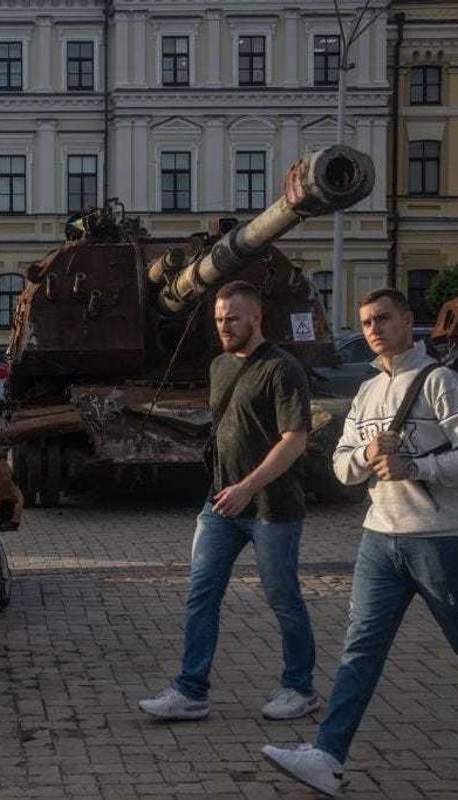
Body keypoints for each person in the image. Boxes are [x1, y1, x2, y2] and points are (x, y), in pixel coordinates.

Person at [263, 288, 458, 796]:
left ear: (407, 320)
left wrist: (416, 465)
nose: (374, 328)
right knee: (359, 650)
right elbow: (341, 467)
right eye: (366, 321)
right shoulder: (366, 391)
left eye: (383, 318)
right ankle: (327, 757)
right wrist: (367, 456)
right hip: (380, 539)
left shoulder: (444, 383)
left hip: (443, 540)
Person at [139, 280, 319, 723]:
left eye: (232, 318)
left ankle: (300, 688)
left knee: (282, 596)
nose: (224, 326)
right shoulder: (219, 365)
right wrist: (223, 487)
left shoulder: (282, 369)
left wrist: (248, 487)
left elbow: (295, 439)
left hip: (271, 507)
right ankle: (191, 690)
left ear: (256, 318)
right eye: (219, 319)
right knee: (202, 593)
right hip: (220, 505)